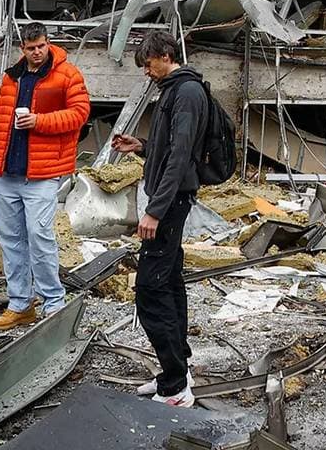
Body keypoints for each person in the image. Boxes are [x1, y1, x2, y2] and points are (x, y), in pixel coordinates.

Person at [109, 29, 206, 407]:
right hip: (170, 202)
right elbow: (168, 151)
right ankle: (176, 372)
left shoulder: (186, 93)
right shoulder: (176, 90)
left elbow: (180, 157)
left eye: (148, 65)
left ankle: (176, 388)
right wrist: (143, 148)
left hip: (169, 205)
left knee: (150, 290)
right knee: (169, 283)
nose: (146, 72)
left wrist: (153, 211)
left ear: (166, 55)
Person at [0, 22, 91, 330]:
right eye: (31, 48)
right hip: (6, 173)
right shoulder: (11, 77)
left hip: (43, 174)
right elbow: (0, 120)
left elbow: (80, 114)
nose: (36, 52)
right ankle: (20, 304)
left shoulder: (67, 75)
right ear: (22, 48)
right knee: (11, 239)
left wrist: (39, 121)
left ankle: (53, 303)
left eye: (41, 46)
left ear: (48, 44)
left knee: (40, 236)